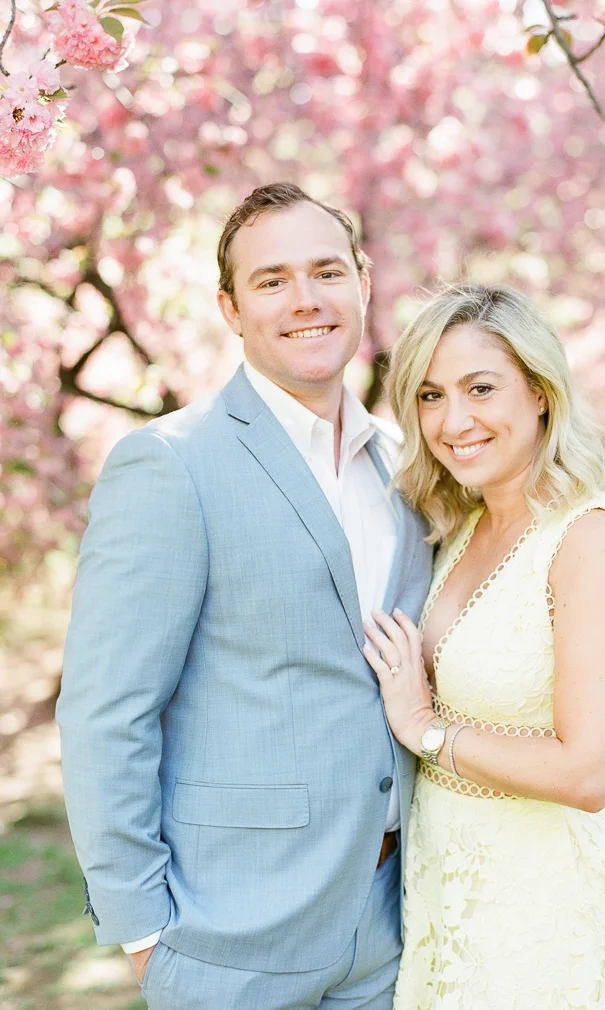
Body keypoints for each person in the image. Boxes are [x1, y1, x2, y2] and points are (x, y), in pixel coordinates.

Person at [56, 182, 433, 1010]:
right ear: (230, 308)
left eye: (327, 272)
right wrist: (143, 933)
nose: (306, 300)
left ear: (364, 283)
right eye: (272, 281)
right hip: (229, 942)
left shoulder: (407, 465)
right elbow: (106, 710)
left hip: (390, 929)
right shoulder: (171, 463)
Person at [362, 284, 605, 1008]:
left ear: (541, 393)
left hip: (538, 914)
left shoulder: (590, 538)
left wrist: (425, 728)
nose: (453, 420)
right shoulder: (458, 529)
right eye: (430, 396)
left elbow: (589, 773)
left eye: (481, 389)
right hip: (441, 901)